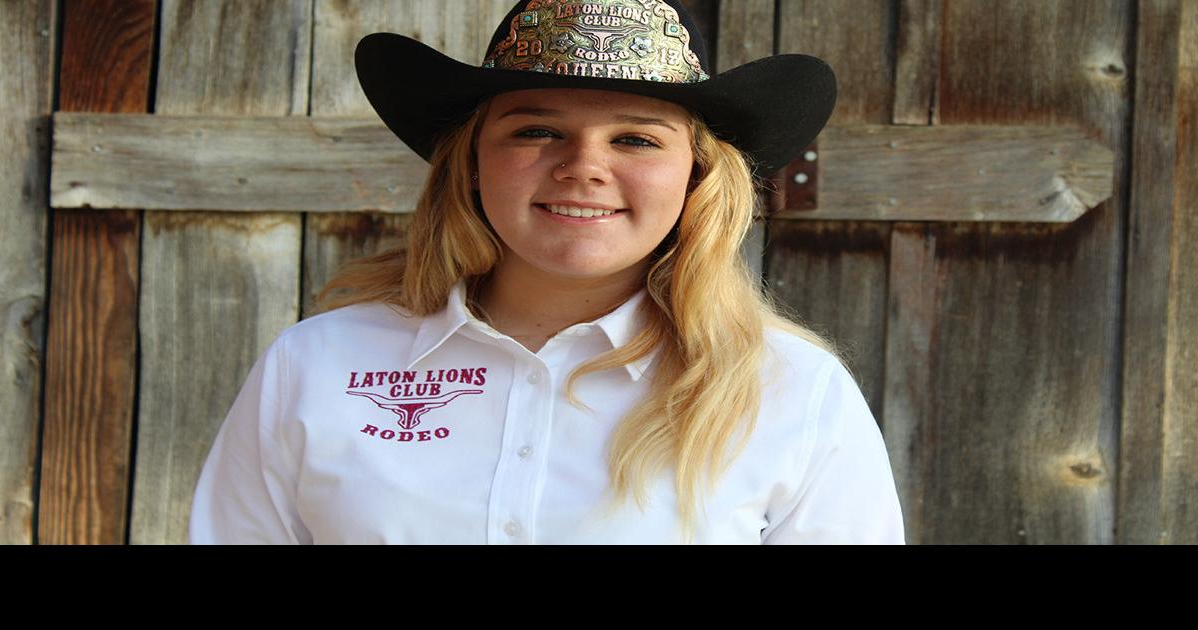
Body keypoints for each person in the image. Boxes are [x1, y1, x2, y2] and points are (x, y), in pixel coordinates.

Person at [189, 0, 905, 544]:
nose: (584, 167)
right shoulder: (316, 366)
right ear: (471, 162)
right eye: (536, 130)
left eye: (634, 138)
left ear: (696, 176)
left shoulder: (793, 395)